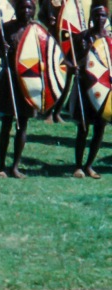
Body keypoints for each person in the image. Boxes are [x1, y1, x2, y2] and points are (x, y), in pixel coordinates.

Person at [0, 0, 37, 179]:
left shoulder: (36, 31)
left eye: (29, 8)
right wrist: (1, 50)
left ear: (33, 11)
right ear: (17, 10)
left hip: (27, 83)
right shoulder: (6, 28)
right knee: (6, 124)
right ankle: (1, 165)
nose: (25, 11)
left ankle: (15, 166)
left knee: (23, 124)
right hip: (9, 80)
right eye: (22, 7)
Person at [69, 0, 108, 179]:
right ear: (91, 17)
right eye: (97, 15)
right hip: (85, 88)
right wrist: (73, 67)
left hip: (104, 91)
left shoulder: (110, 40)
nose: (100, 18)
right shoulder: (81, 38)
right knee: (83, 128)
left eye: (103, 15)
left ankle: (90, 165)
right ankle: (78, 166)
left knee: (100, 129)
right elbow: (68, 60)